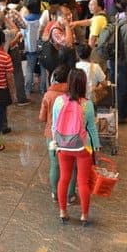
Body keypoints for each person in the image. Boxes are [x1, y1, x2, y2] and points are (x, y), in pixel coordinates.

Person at [52, 68, 101, 225]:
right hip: (82, 147)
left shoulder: (59, 101)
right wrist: (96, 148)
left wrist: (57, 144)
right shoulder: (87, 105)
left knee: (64, 179)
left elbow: (54, 126)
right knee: (82, 182)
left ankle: (62, 212)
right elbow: (92, 128)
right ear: (83, 85)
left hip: (63, 146)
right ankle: (84, 216)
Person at [40, 63, 76, 205]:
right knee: (71, 167)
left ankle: (55, 193)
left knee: (55, 165)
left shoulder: (48, 95)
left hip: (51, 135)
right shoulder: (73, 95)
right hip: (71, 136)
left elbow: (42, 118)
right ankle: (70, 195)